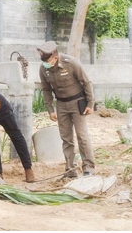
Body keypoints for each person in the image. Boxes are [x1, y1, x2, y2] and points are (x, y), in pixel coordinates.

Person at [36, 40, 95, 178]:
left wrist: (90, 104)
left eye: (48, 60)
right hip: (61, 105)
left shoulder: (71, 63)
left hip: (78, 102)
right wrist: (50, 109)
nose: (46, 63)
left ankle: (88, 168)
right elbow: (46, 89)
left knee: (82, 136)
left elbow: (86, 82)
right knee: (66, 138)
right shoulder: (44, 69)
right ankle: (70, 170)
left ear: (55, 57)